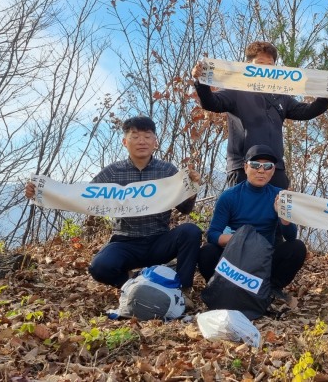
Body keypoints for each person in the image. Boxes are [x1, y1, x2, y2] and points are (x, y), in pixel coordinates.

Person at [25, 116, 202, 298]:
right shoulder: (112, 172)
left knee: (191, 232)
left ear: (155, 142)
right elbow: (82, 197)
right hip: (125, 243)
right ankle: (133, 286)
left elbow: (185, 209)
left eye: (147, 136)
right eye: (135, 136)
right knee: (100, 267)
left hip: (160, 240)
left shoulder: (167, 171)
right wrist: (41, 192)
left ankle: (183, 291)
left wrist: (192, 188)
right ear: (125, 142)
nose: (142, 141)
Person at [192, 41, 328, 189]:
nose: (265, 68)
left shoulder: (280, 96)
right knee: (243, 212)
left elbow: (307, 111)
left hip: (274, 168)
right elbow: (212, 103)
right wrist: (201, 82)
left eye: (270, 65)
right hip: (243, 167)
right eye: (260, 63)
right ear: (248, 64)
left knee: (277, 211)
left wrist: (325, 96)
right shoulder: (236, 90)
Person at [197, 144, 306, 298]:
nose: (261, 170)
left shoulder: (279, 196)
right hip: (233, 256)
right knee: (207, 252)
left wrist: (283, 216)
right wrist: (240, 240)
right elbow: (213, 234)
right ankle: (218, 285)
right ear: (245, 167)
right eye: (255, 165)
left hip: (264, 258)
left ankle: (271, 289)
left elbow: (290, 237)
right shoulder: (230, 196)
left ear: (273, 170)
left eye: (267, 166)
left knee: (297, 248)